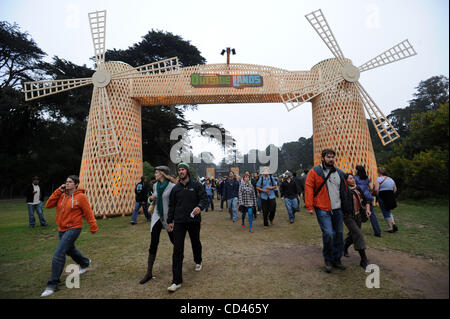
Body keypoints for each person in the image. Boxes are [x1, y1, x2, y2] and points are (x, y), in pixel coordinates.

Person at [40, 175, 98, 297]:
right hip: (62, 228)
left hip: (74, 228)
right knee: (70, 250)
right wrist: (58, 190)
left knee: (59, 253)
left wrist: (93, 225)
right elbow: (48, 205)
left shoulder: (81, 197)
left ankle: (52, 284)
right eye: (66, 182)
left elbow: (88, 212)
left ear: (76, 184)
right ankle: (85, 262)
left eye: (70, 182)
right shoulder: (61, 195)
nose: (67, 184)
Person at [305, 149, 348, 273]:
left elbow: (344, 191)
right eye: (328, 157)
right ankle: (328, 259)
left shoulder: (339, 173)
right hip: (322, 208)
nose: (331, 159)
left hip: (337, 208)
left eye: (332, 157)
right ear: (322, 158)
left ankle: (337, 259)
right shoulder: (315, 172)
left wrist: (347, 207)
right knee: (329, 234)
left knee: (339, 234)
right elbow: (309, 188)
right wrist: (309, 206)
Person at [167, 162, 208, 292]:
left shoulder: (196, 185)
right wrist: (169, 221)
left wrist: (199, 207)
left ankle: (198, 260)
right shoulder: (175, 188)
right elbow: (172, 206)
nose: (181, 172)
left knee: (195, 242)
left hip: (193, 220)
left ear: (187, 171)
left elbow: (204, 199)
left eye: (183, 169)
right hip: (179, 222)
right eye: (179, 170)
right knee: (177, 250)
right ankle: (176, 281)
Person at [140, 166, 176, 284]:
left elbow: (175, 203)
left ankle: (177, 265)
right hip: (156, 216)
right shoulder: (156, 186)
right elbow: (152, 200)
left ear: (162, 174)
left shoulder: (172, 187)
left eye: (156, 173)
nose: (155, 175)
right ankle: (149, 272)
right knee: (153, 243)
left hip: (168, 218)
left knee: (175, 241)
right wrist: (151, 199)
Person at [342, 173, 371, 269]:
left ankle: (344, 247)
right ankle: (363, 260)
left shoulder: (357, 188)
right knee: (358, 234)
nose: (353, 180)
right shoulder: (344, 191)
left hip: (358, 216)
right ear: (345, 181)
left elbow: (366, 200)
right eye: (350, 178)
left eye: (353, 178)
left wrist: (367, 209)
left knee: (353, 234)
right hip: (348, 217)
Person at [354, 165, 382, 237]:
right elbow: (370, 187)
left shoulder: (355, 178)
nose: (355, 171)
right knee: (372, 214)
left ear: (357, 171)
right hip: (368, 196)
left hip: (361, 197)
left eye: (356, 169)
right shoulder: (367, 178)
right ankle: (377, 232)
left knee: (358, 213)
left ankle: (357, 231)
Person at [374, 167, 398, 233]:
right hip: (390, 196)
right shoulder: (391, 179)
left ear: (378, 172)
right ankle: (393, 224)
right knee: (388, 210)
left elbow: (376, 189)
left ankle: (390, 228)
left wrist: (377, 195)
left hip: (382, 196)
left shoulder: (378, 179)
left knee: (385, 212)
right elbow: (395, 189)